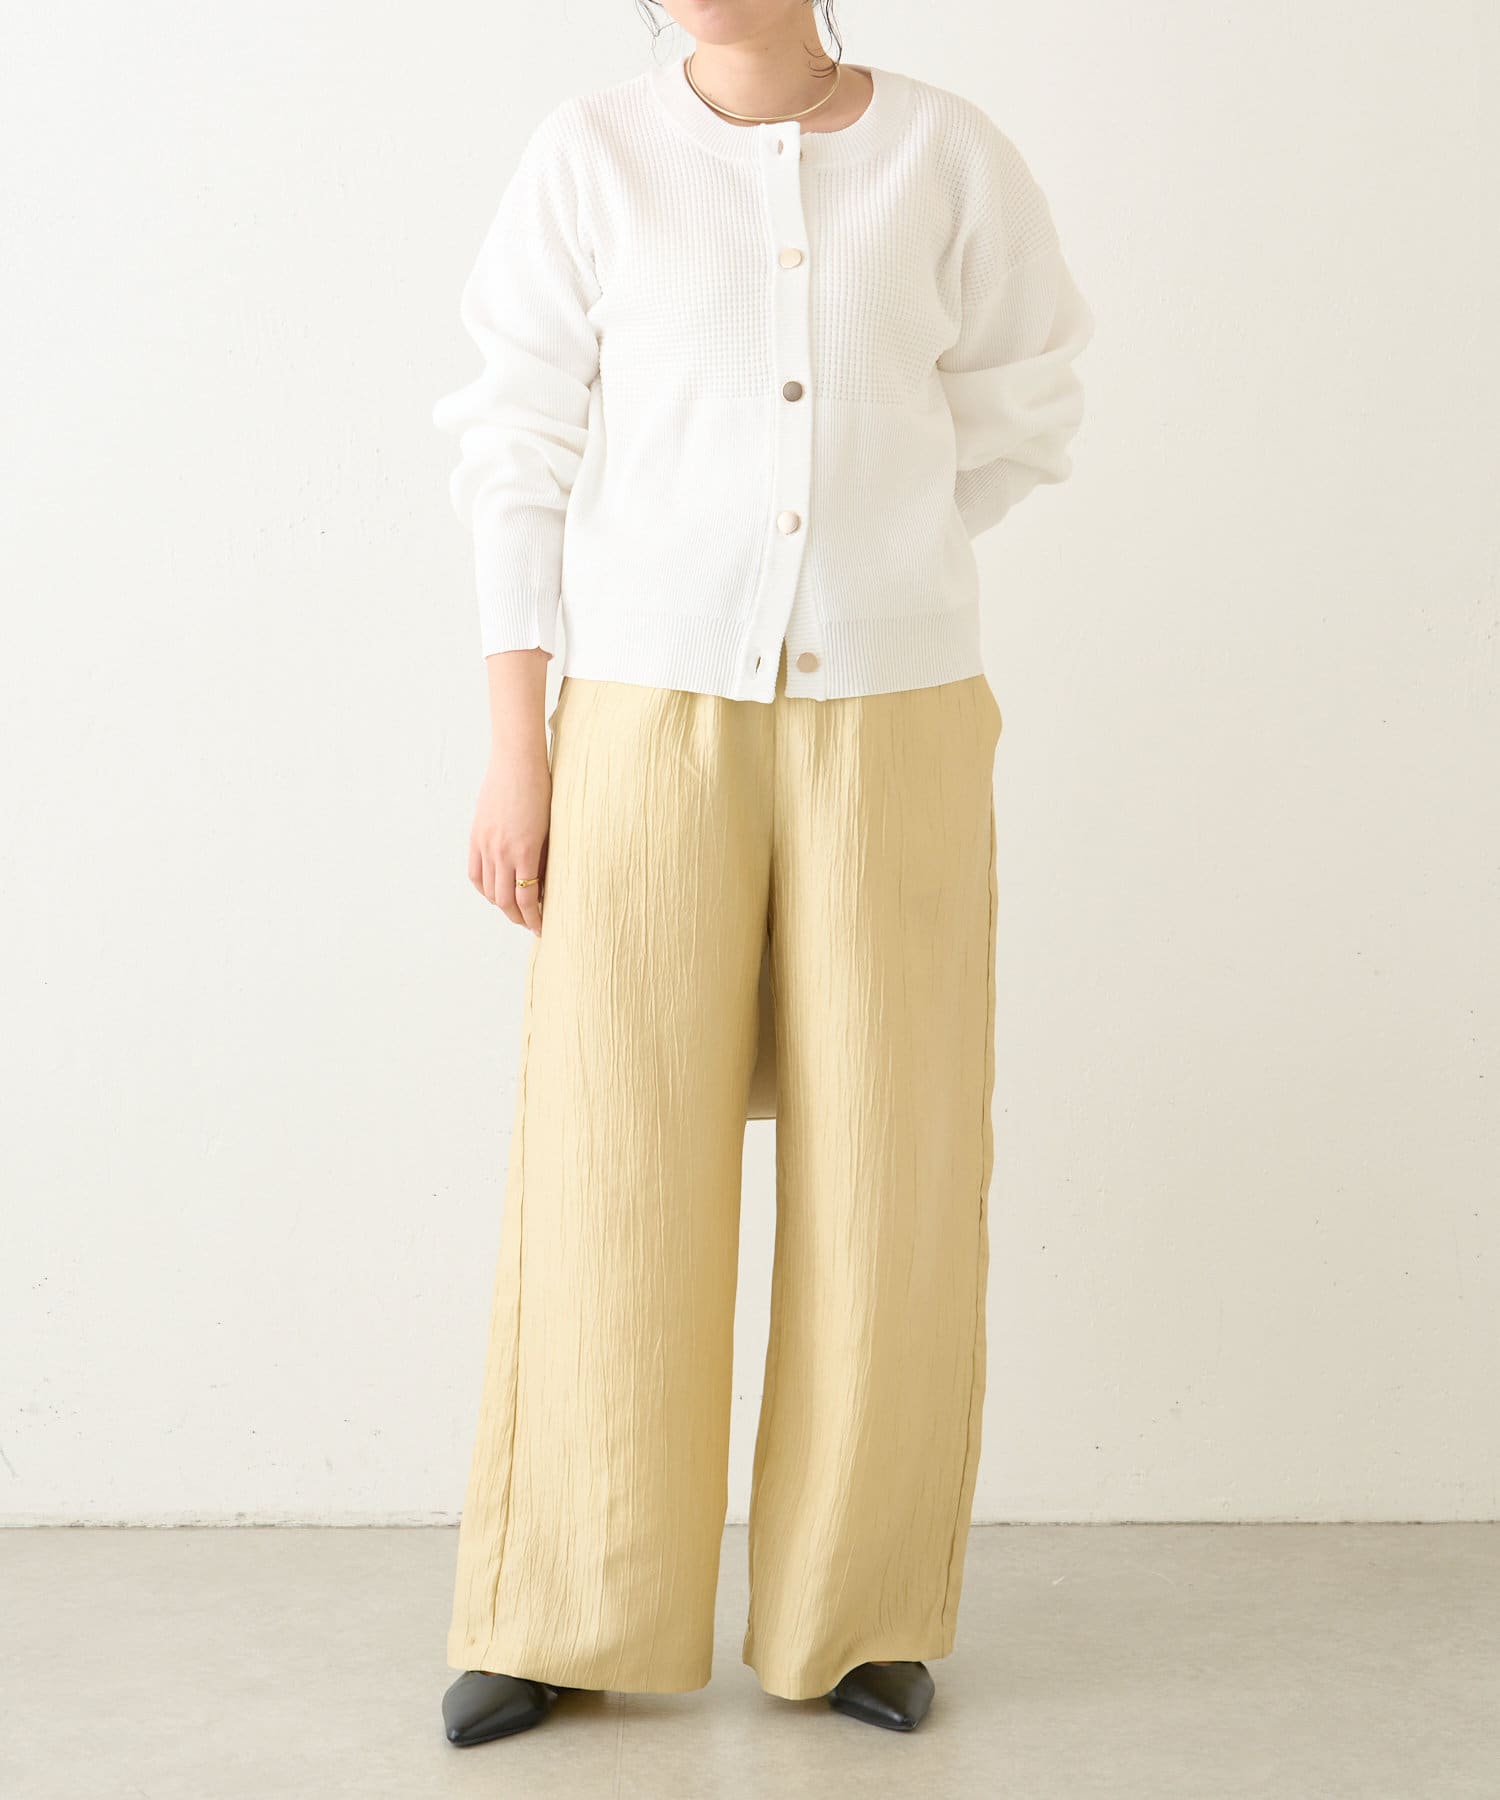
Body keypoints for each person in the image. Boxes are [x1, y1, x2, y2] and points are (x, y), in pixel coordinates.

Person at [432, 0, 1092, 1747]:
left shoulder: (946, 156)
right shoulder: (591, 155)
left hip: (897, 714)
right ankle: (562, 1601)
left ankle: (856, 1611)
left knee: (893, 1151)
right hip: (642, 715)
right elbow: (514, 443)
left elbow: (1020, 408)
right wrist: (518, 744)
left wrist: (871, 553)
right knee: (609, 1154)